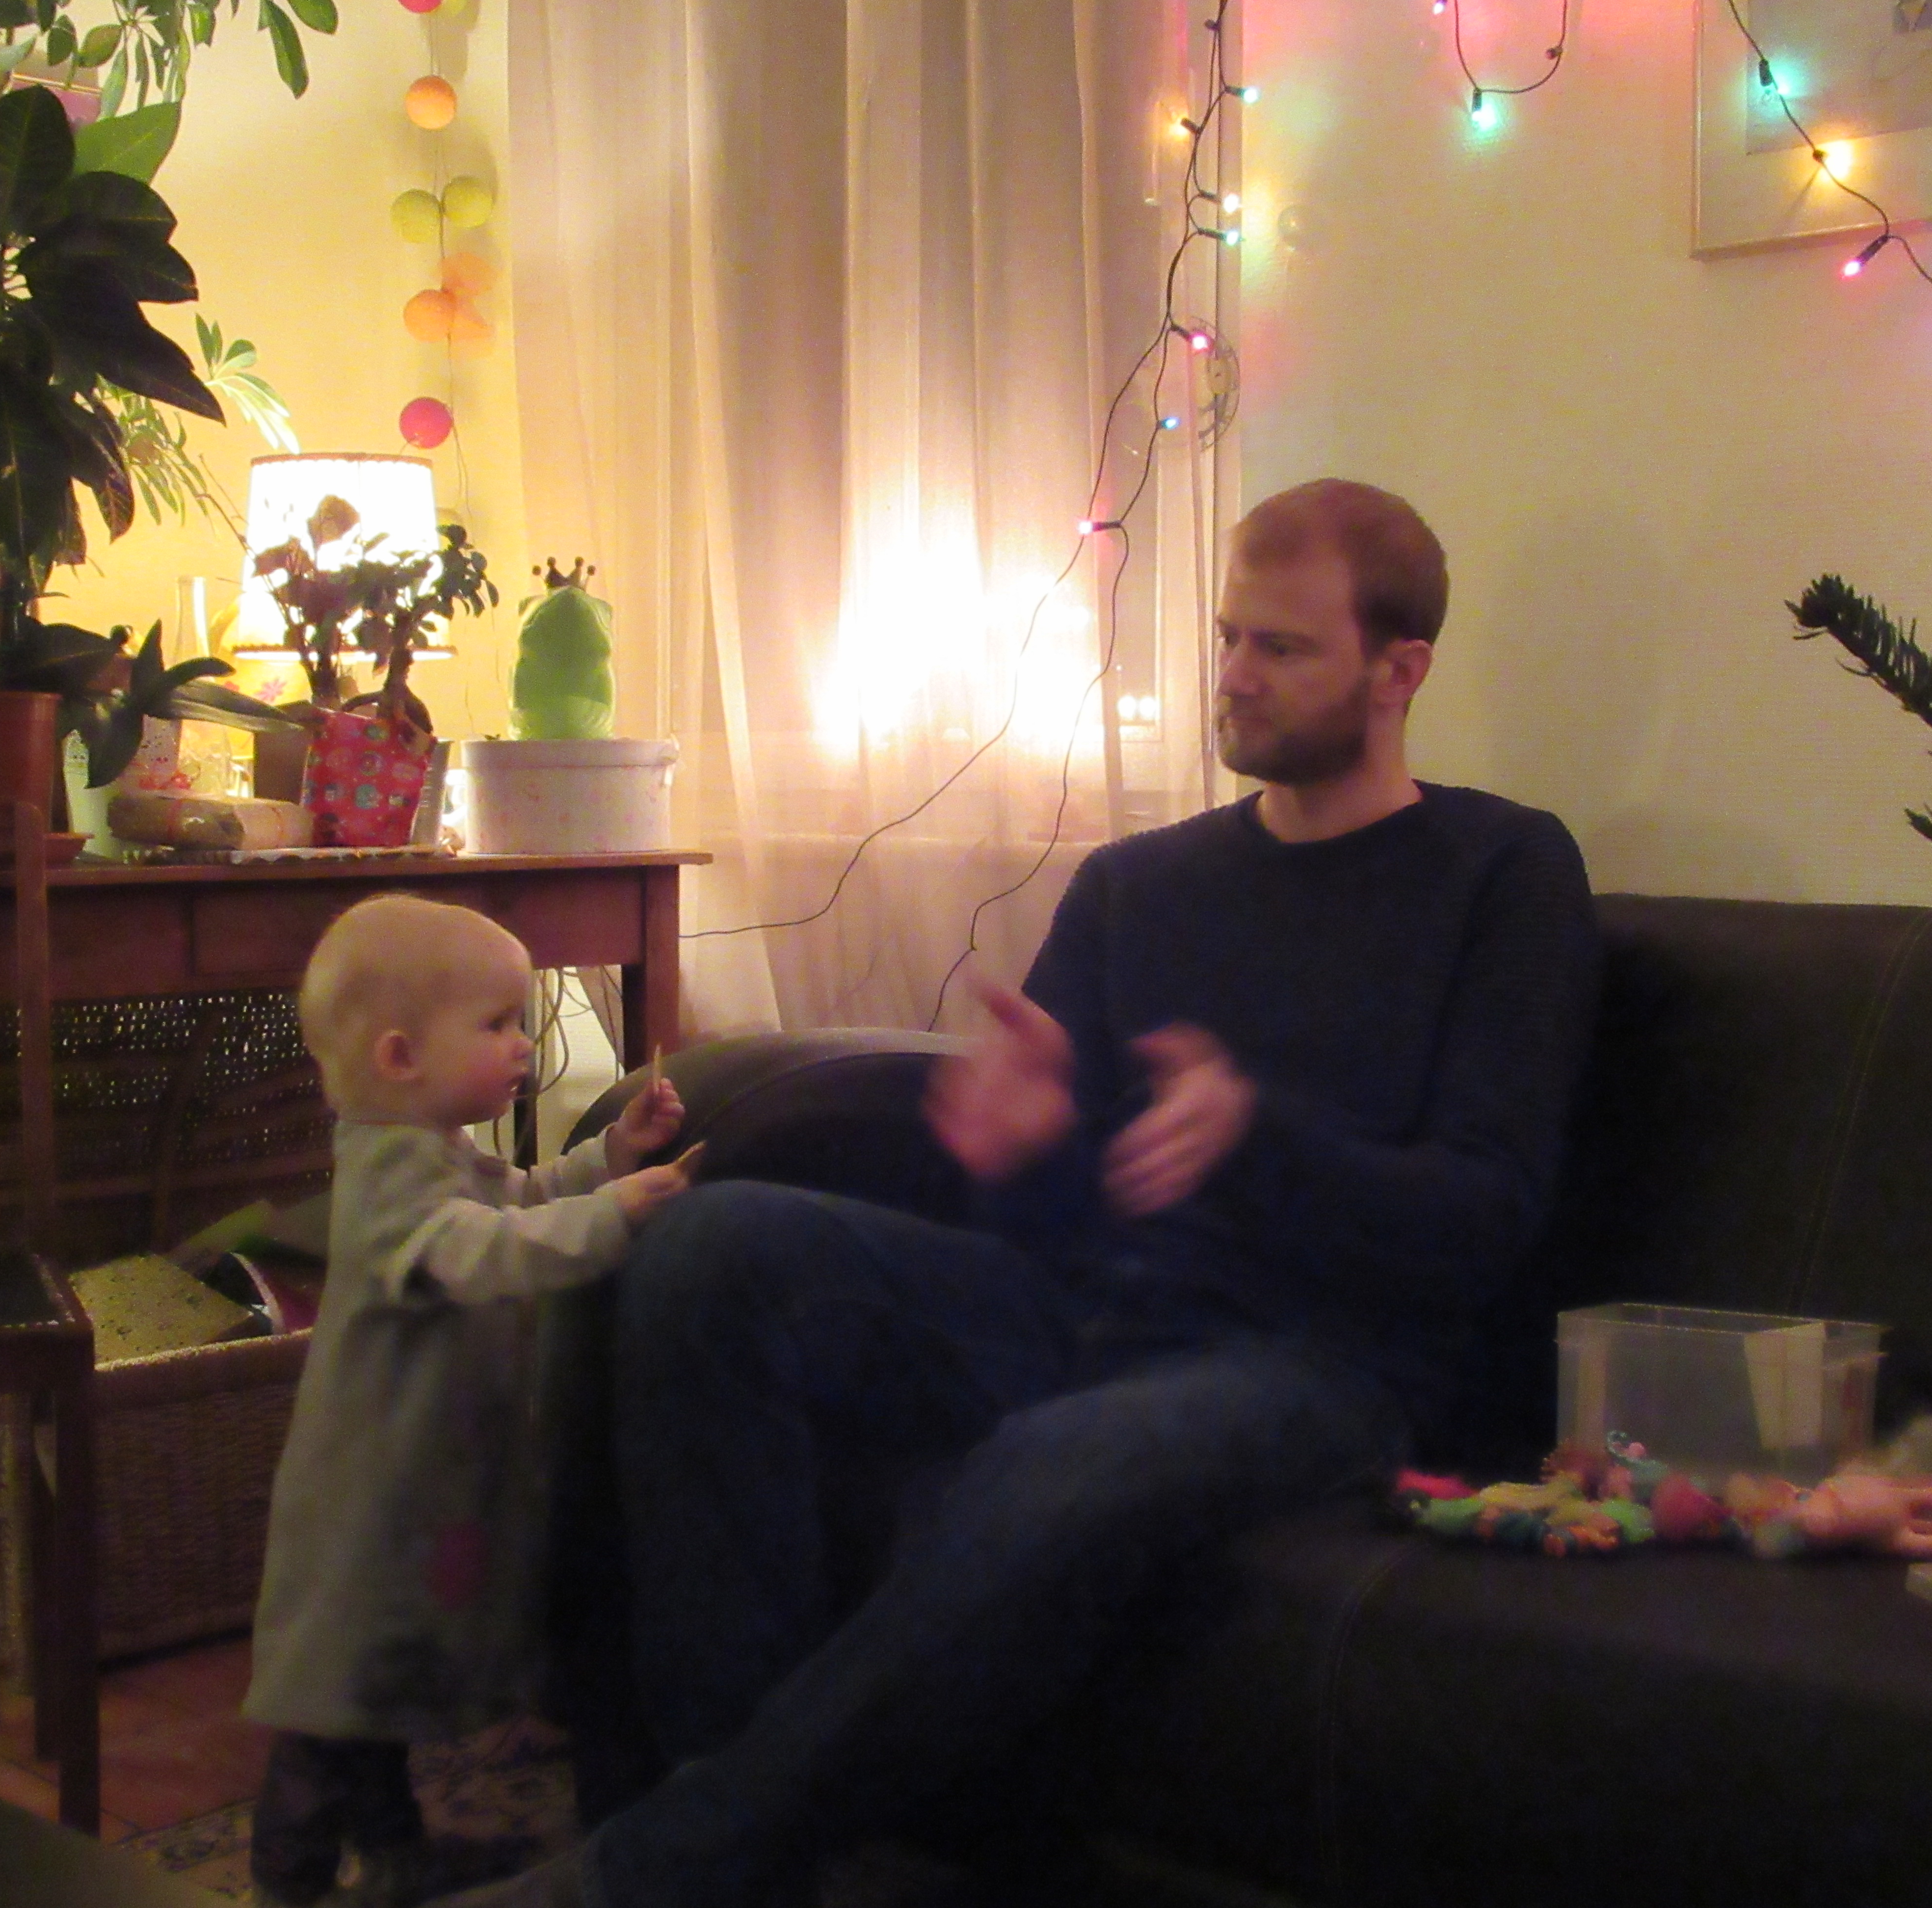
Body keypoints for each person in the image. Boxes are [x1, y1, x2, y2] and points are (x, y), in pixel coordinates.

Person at [463, 478, 1602, 1908]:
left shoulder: (1503, 872)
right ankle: (733, 1833)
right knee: (709, 1248)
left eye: (1284, 648)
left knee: (1065, 1457)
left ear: (1400, 670)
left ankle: (664, 1872)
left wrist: (1255, 1136)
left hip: (1325, 1357)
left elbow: (1484, 1218)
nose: (1237, 674)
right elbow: (1046, 1215)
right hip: (1082, 1307)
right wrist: (1022, 1147)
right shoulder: (1139, 886)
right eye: (1229, 636)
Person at [247, 894, 700, 1908]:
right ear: (402, 1057)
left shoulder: (434, 1150)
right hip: (367, 1505)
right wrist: (614, 1217)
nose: (523, 1045)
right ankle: (286, 1877)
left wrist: (610, 1157)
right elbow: (481, 1251)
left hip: (415, 1490)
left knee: (376, 1695)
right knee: (334, 1705)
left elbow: (518, 1201)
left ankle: (396, 1857)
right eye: (497, 1025)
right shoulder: (387, 1175)